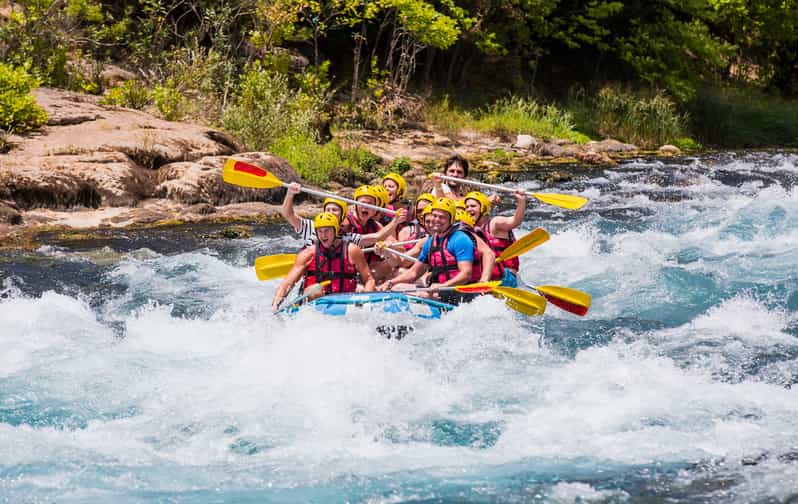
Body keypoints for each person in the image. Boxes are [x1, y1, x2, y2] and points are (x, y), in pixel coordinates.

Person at [378, 198, 489, 305]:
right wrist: (391, 282)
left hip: (461, 293)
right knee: (397, 288)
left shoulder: (460, 239)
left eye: (442, 217)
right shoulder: (430, 242)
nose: (436, 220)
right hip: (441, 290)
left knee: (420, 294)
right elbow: (414, 273)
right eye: (435, 216)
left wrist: (442, 287)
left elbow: (466, 274)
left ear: (450, 219)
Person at [271, 212, 375, 311]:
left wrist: (366, 299)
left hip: (344, 301)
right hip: (315, 302)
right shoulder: (308, 254)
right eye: (320, 231)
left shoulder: (352, 250)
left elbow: (368, 279)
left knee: (360, 289)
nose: (323, 235)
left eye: (327, 230)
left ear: (336, 230)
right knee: (316, 289)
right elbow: (287, 283)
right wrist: (276, 303)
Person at [280, 182, 403, 248]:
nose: (331, 213)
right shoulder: (311, 227)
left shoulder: (347, 238)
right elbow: (288, 214)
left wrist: (395, 221)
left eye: (335, 210)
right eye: (328, 209)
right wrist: (290, 194)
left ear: (343, 214)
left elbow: (377, 236)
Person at [463, 189, 526, 287]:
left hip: (506, 277)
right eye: (466, 207)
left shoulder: (494, 224)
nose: (468, 209)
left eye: (473, 206)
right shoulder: (470, 229)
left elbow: (515, 221)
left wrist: (521, 201)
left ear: (483, 208)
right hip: (486, 278)